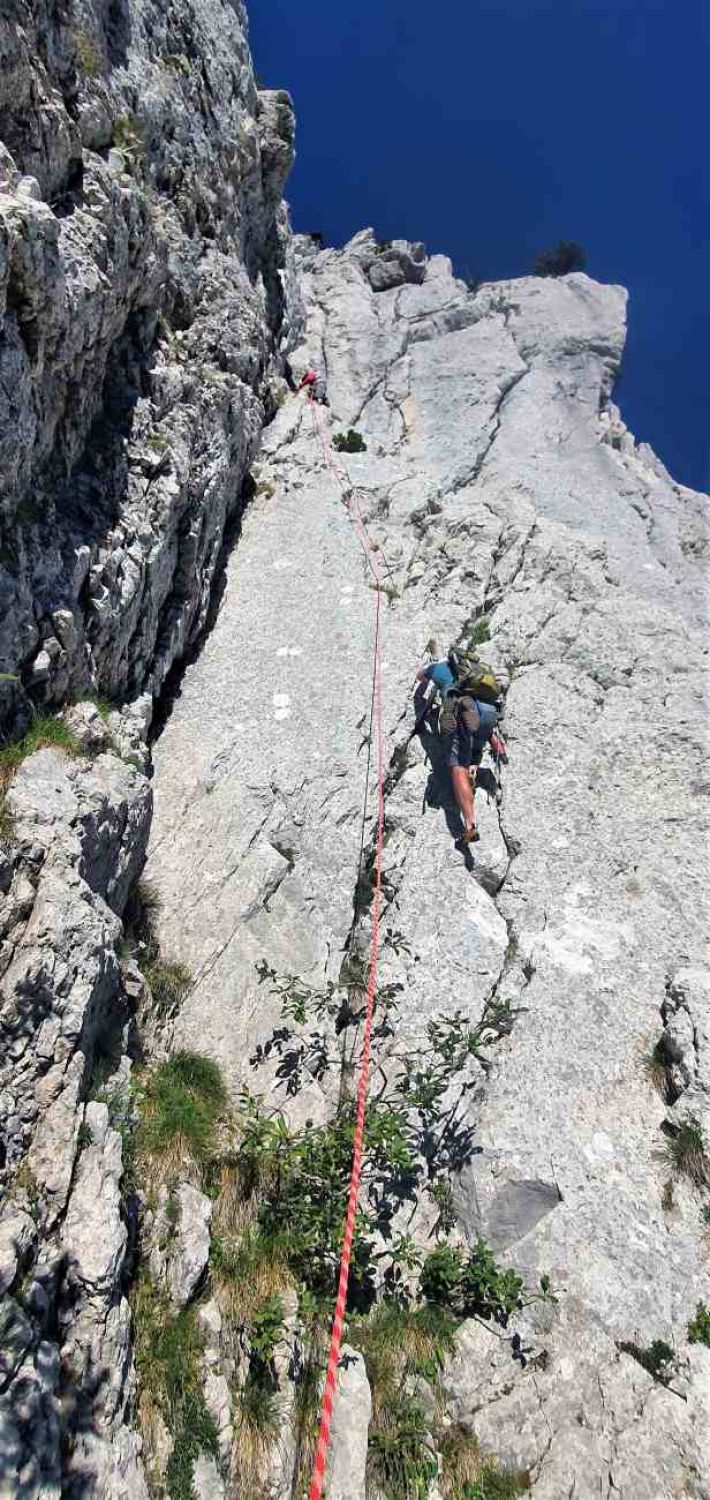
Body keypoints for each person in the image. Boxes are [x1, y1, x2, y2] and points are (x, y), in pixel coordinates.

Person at [416, 656, 507, 843]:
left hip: (464, 709)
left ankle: (470, 823)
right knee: (475, 740)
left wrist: (428, 671)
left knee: (457, 766)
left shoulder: (439, 668)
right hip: (488, 714)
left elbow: (420, 677)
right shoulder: (476, 676)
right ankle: (482, 761)